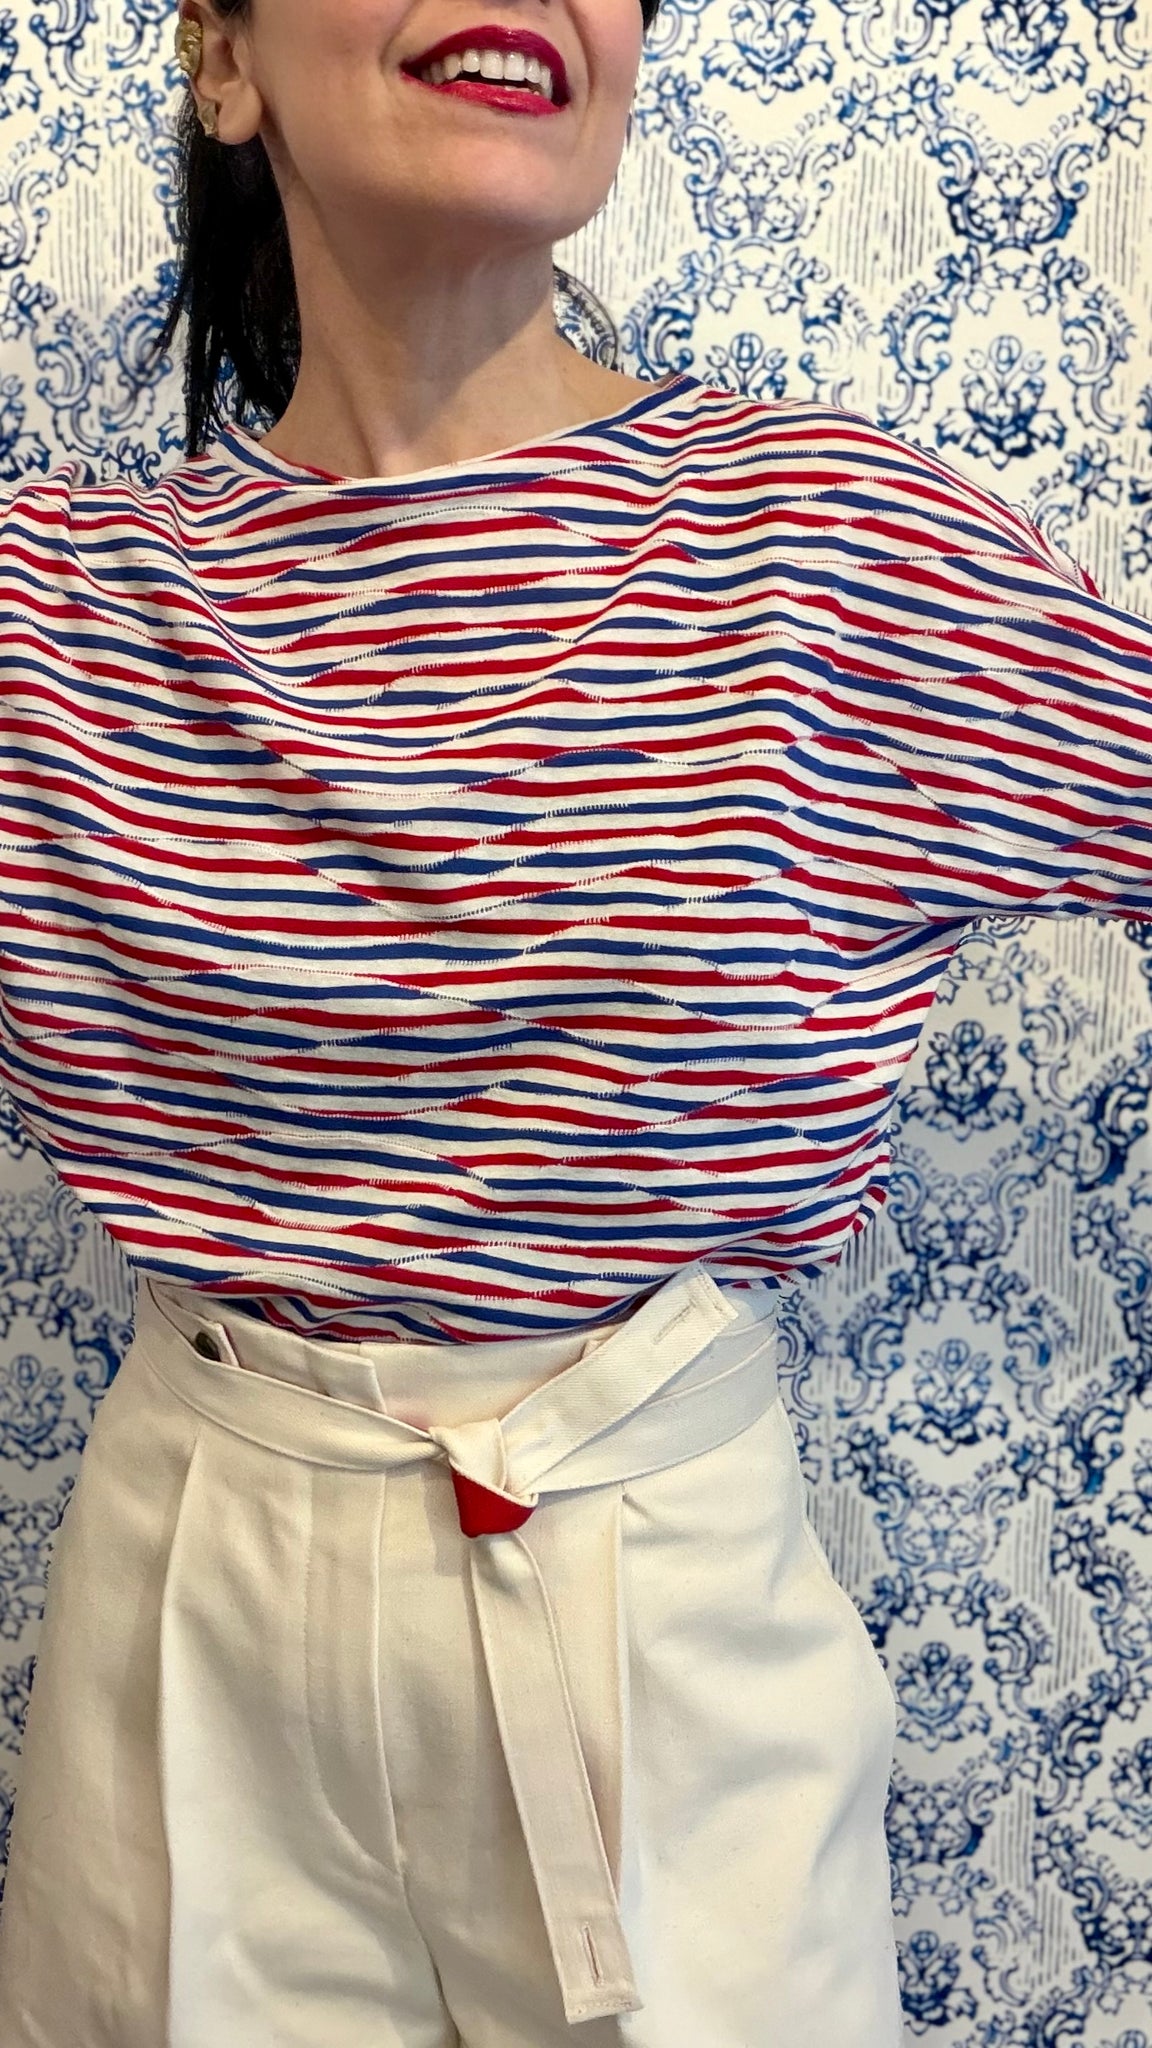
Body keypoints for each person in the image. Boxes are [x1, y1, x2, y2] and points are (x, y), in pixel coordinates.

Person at [0, 1, 1148, 2044]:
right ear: (223, 60)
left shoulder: (833, 554)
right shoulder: (59, 616)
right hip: (193, 1612)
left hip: (663, 1607)